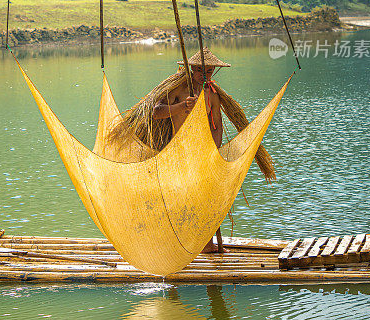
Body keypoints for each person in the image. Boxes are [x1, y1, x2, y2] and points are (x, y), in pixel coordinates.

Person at [108, 46, 276, 253]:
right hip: (177, 153)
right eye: (200, 71)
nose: (204, 75)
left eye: (208, 71)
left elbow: (217, 125)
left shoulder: (212, 95)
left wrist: (213, 150)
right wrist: (182, 107)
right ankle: (170, 242)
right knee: (177, 199)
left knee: (208, 197)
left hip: (202, 154)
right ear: (192, 69)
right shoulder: (178, 90)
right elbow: (156, 112)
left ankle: (208, 245)